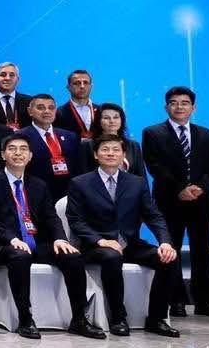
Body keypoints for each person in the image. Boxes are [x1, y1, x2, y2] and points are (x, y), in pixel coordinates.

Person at [0, 135, 101, 340]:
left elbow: (51, 217)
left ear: (30, 155)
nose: (18, 153)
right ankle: (25, 319)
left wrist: (60, 238)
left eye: (23, 149)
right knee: (20, 256)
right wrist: (11, 239)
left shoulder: (39, 185)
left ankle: (79, 320)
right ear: (3, 155)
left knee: (73, 257)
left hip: (35, 243)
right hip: (4, 246)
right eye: (12, 149)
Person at [65, 134, 182, 337]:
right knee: (112, 256)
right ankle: (118, 318)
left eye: (116, 150)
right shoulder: (80, 183)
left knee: (169, 259)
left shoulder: (137, 183)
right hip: (96, 245)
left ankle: (156, 318)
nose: (111, 153)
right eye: (105, 149)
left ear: (123, 155)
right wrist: (100, 240)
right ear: (96, 155)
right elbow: (76, 220)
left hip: (130, 243)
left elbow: (153, 215)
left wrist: (165, 242)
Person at [142, 86, 209, 319]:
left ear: (193, 108)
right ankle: (176, 301)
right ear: (166, 107)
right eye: (174, 102)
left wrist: (201, 187)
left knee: (202, 252)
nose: (179, 107)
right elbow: (155, 166)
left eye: (185, 103)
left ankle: (205, 302)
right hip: (170, 202)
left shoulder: (207, 134)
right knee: (172, 252)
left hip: (202, 201)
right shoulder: (153, 133)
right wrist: (180, 189)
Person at [17, 94, 83, 201]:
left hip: (69, 194)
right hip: (36, 195)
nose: (47, 111)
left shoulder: (70, 136)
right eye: (40, 108)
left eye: (51, 108)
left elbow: (78, 167)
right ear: (30, 111)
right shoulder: (20, 137)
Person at [82, 103, 148, 178]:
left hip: (129, 185)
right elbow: (83, 176)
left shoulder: (133, 146)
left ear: (122, 120)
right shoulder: (88, 145)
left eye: (116, 117)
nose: (112, 121)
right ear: (99, 121)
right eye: (106, 118)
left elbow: (141, 176)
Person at [53, 69, 97, 139]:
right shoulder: (58, 113)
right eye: (77, 83)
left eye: (85, 83)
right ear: (68, 87)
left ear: (91, 86)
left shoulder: (100, 111)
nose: (82, 86)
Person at [0, 62, 30, 130]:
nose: (7, 78)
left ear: (18, 79)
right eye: (3, 75)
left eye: (11, 75)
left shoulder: (29, 101)